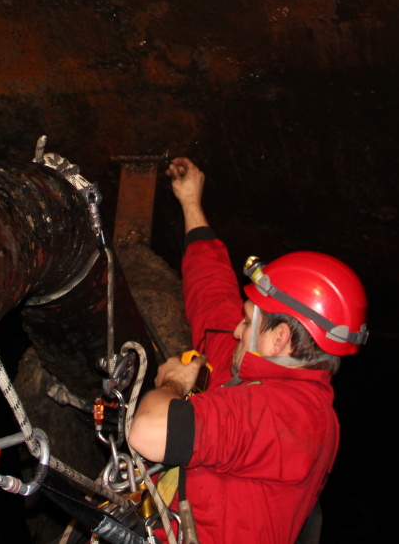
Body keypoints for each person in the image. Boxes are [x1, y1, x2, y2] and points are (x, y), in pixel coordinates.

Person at [128, 157, 368, 544]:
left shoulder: (295, 417)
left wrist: (172, 384)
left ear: (280, 340)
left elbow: (150, 431)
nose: (238, 330)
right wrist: (191, 203)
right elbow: (214, 301)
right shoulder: (252, 370)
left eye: (249, 321)